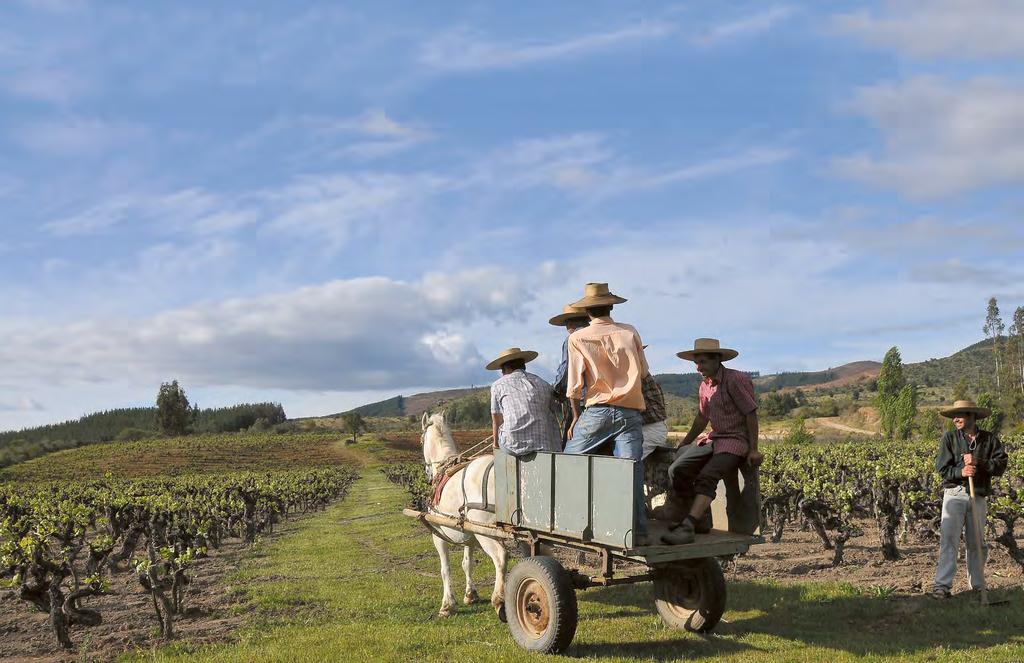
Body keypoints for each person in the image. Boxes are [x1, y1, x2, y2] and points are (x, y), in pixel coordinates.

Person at [661, 338, 762, 545]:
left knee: (708, 476)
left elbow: (750, 413)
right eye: (696, 363)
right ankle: (700, 519)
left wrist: (753, 449)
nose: (699, 367)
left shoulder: (735, 380)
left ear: (717, 360)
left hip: (735, 441)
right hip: (715, 438)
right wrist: (685, 442)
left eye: (703, 362)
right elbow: (702, 417)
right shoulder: (704, 386)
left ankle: (688, 526)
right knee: (677, 469)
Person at [931, 399, 1008, 599]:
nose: (956, 419)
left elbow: (1000, 465)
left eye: (961, 415)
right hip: (954, 494)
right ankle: (942, 586)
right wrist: (961, 471)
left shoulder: (989, 440)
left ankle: (978, 585)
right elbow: (942, 469)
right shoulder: (949, 439)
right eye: (954, 416)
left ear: (972, 416)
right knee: (949, 540)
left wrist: (978, 462)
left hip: (978, 495)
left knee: (977, 542)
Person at [563, 283, 648, 461]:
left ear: (586, 310)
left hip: (598, 412)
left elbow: (574, 388)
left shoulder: (577, 338)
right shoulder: (629, 331)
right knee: (631, 468)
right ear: (611, 306)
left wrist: (576, 417)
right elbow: (643, 373)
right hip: (630, 413)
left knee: (567, 462)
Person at [487, 347, 561, 456]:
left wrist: (495, 445)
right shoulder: (543, 383)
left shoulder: (497, 385)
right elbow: (553, 411)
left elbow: (496, 419)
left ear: (506, 368)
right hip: (544, 444)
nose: (502, 372)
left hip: (513, 444)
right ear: (523, 365)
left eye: (502, 369)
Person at [549, 304, 590, 445]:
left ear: (570, 323)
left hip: (585, 402)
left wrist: (555, 391)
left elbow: (566, 370)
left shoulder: (572, 339)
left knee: (567, 444)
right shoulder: (600, 333)